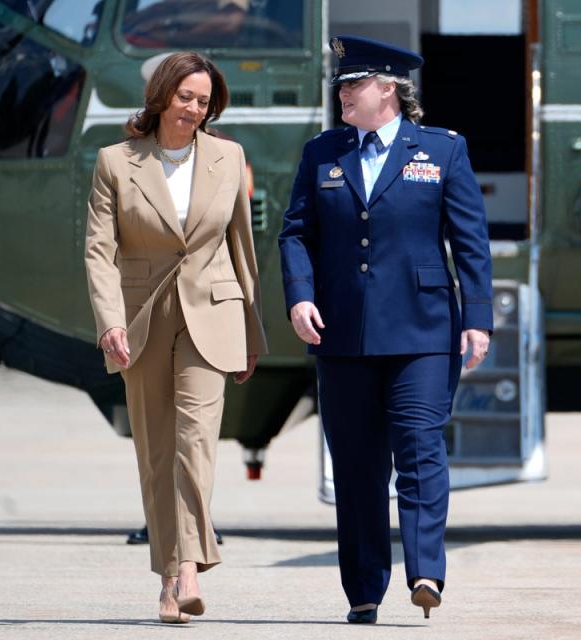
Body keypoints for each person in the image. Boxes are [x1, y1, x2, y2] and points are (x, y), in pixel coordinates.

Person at [278, 35, 493, 623]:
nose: (342, 92)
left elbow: (470, 241)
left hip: (423, 331)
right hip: (342, 332)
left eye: (354, 84)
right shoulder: (322, 151)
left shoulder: (443, 150)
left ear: (390, 90)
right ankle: (365, 590)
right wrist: (300, 297)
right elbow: (295, 232)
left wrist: (477, 320)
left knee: (420, 450)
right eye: (341, 84)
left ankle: (426, 572)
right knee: (356, 465)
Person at [85, 52, 267, 622]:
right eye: (186, 96)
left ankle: (185, 569)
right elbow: (99, 250)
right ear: (163, 95)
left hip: (212, 316)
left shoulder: (229, 157)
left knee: (195, 442)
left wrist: (252, 334)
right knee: (157, 450)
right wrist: (110, 320)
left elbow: (242, 248)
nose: (195, 108)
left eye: (205, 100)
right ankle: (171, 575)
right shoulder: (116, 162)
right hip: (140, 318)